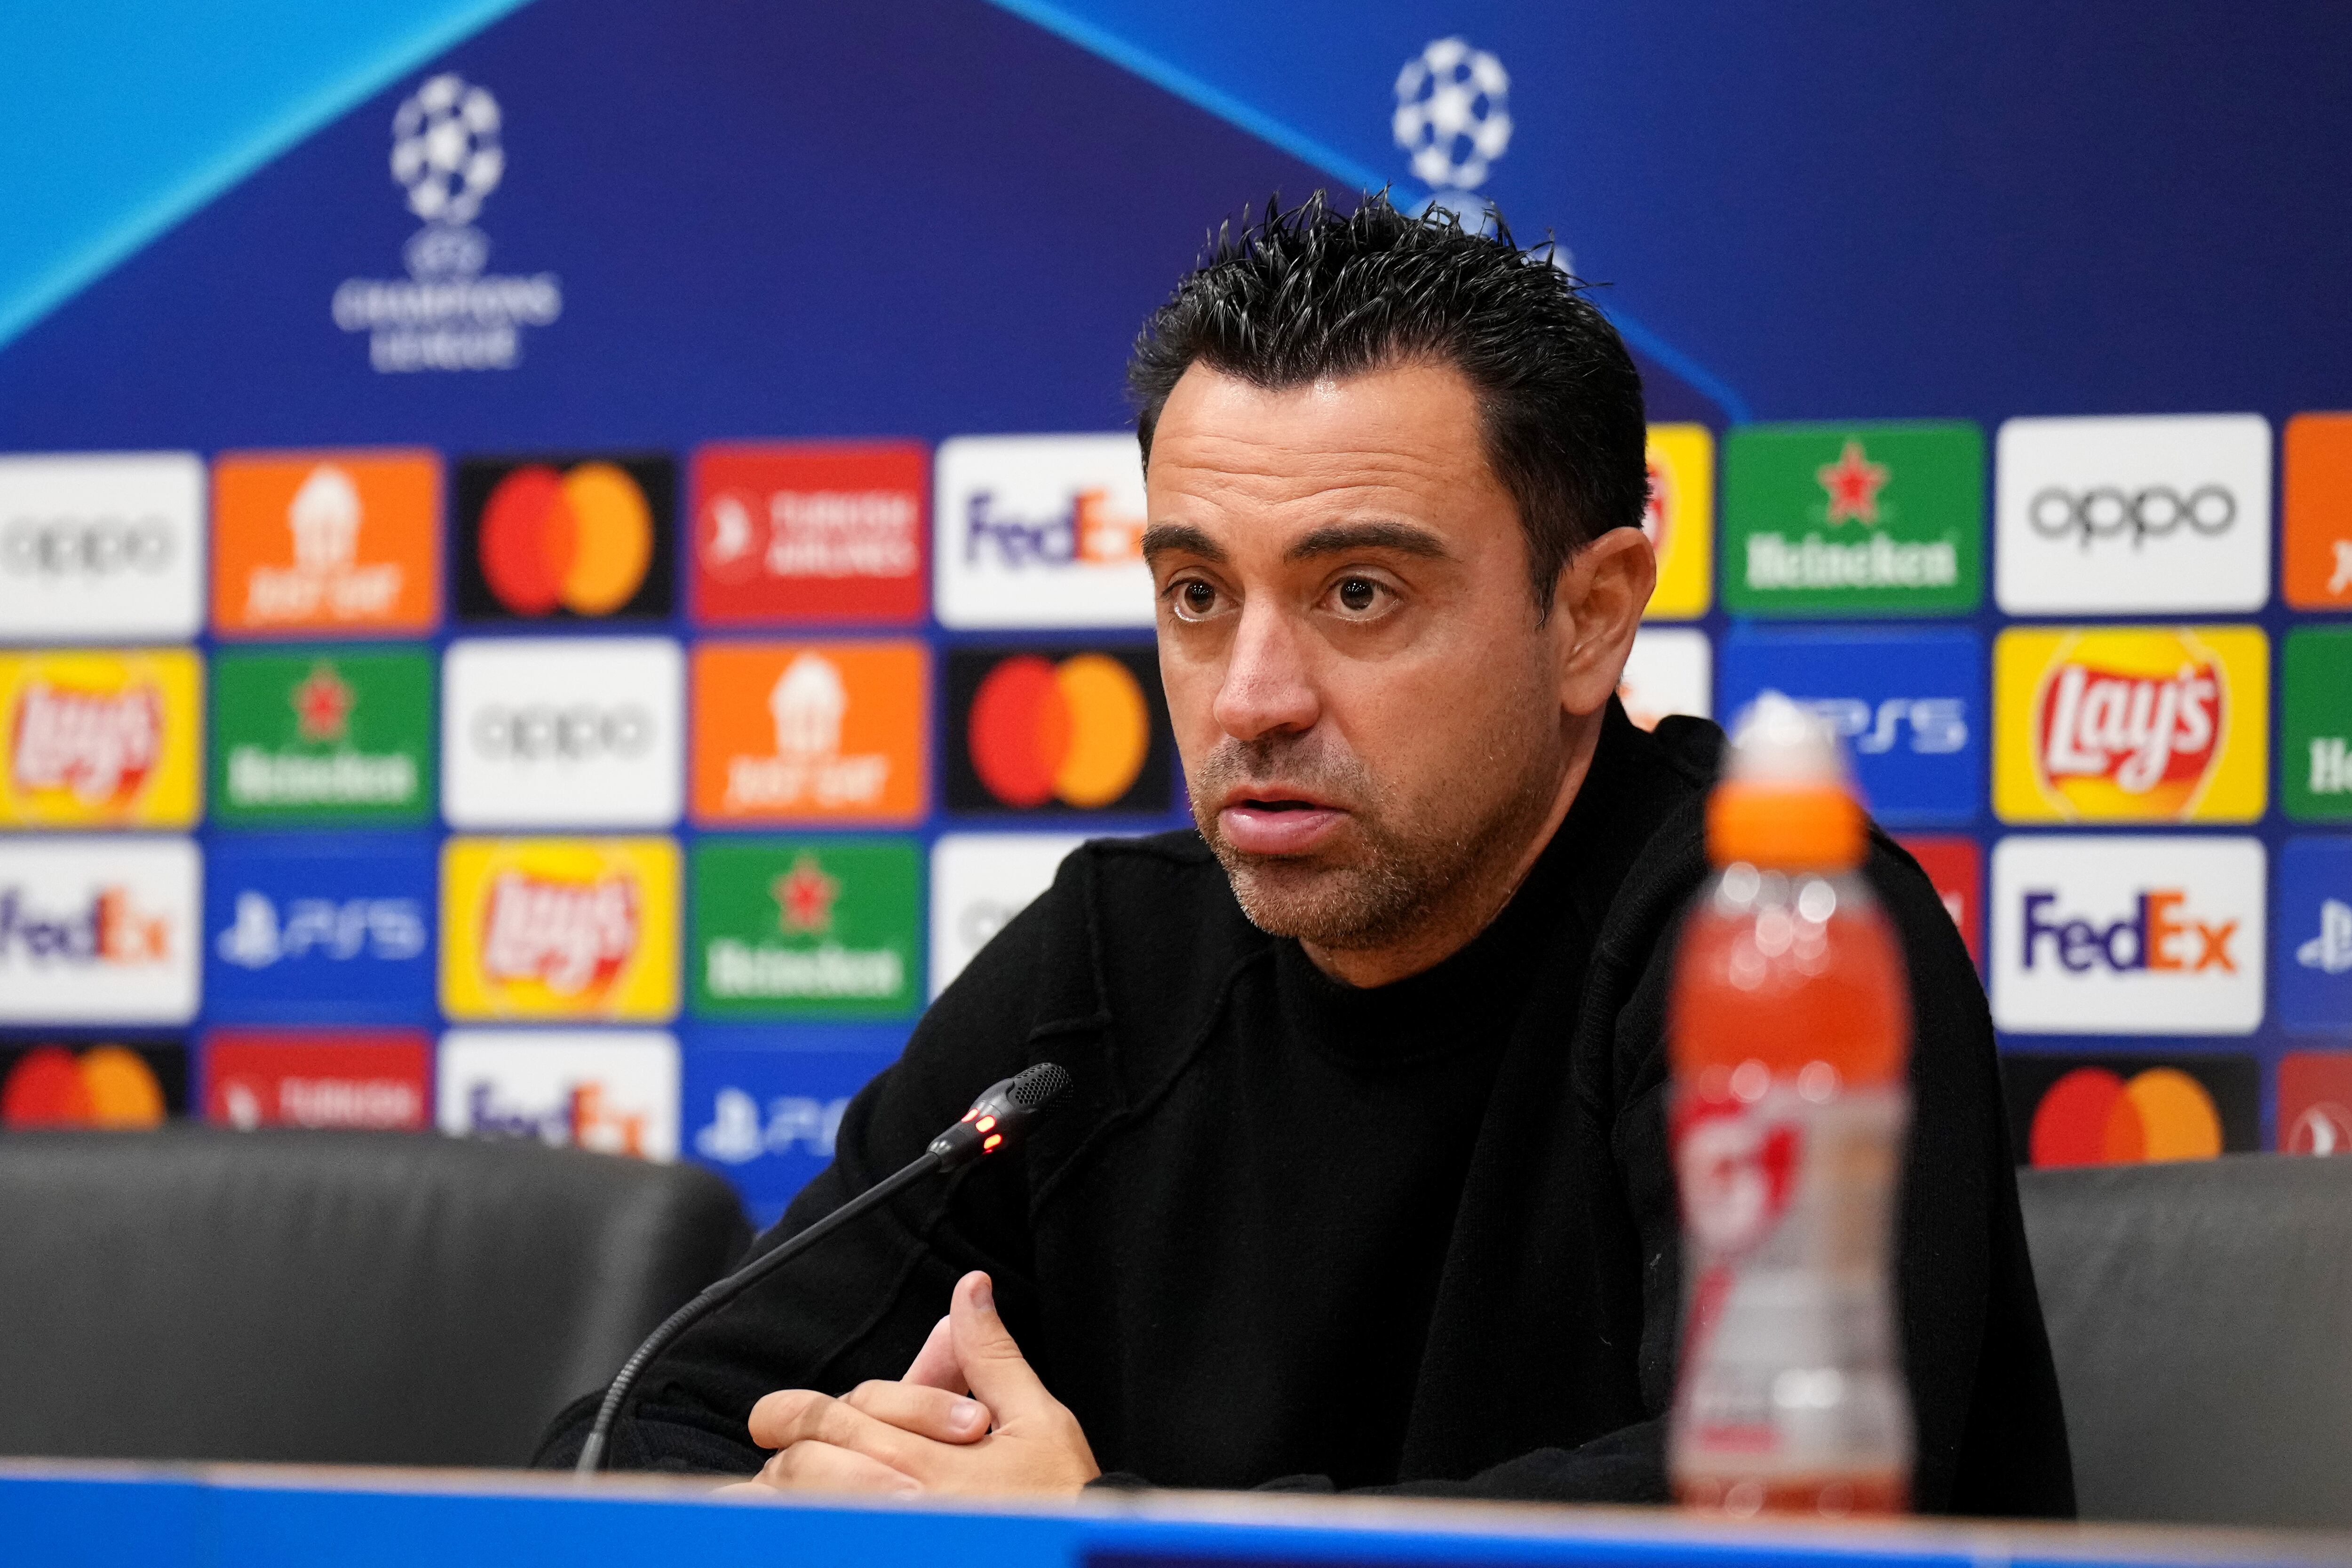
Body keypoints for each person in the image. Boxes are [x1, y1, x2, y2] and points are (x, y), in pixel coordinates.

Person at [535, 193, 2072, 1513]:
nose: (1254, 701)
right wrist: (816, 1507)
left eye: (1358, 597)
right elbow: (623, 1437)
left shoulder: (1777, 945)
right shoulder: (1106, 973)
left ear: (1592, 616)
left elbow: (1766, 1519)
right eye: (1199, 596)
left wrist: (1108, 1537)